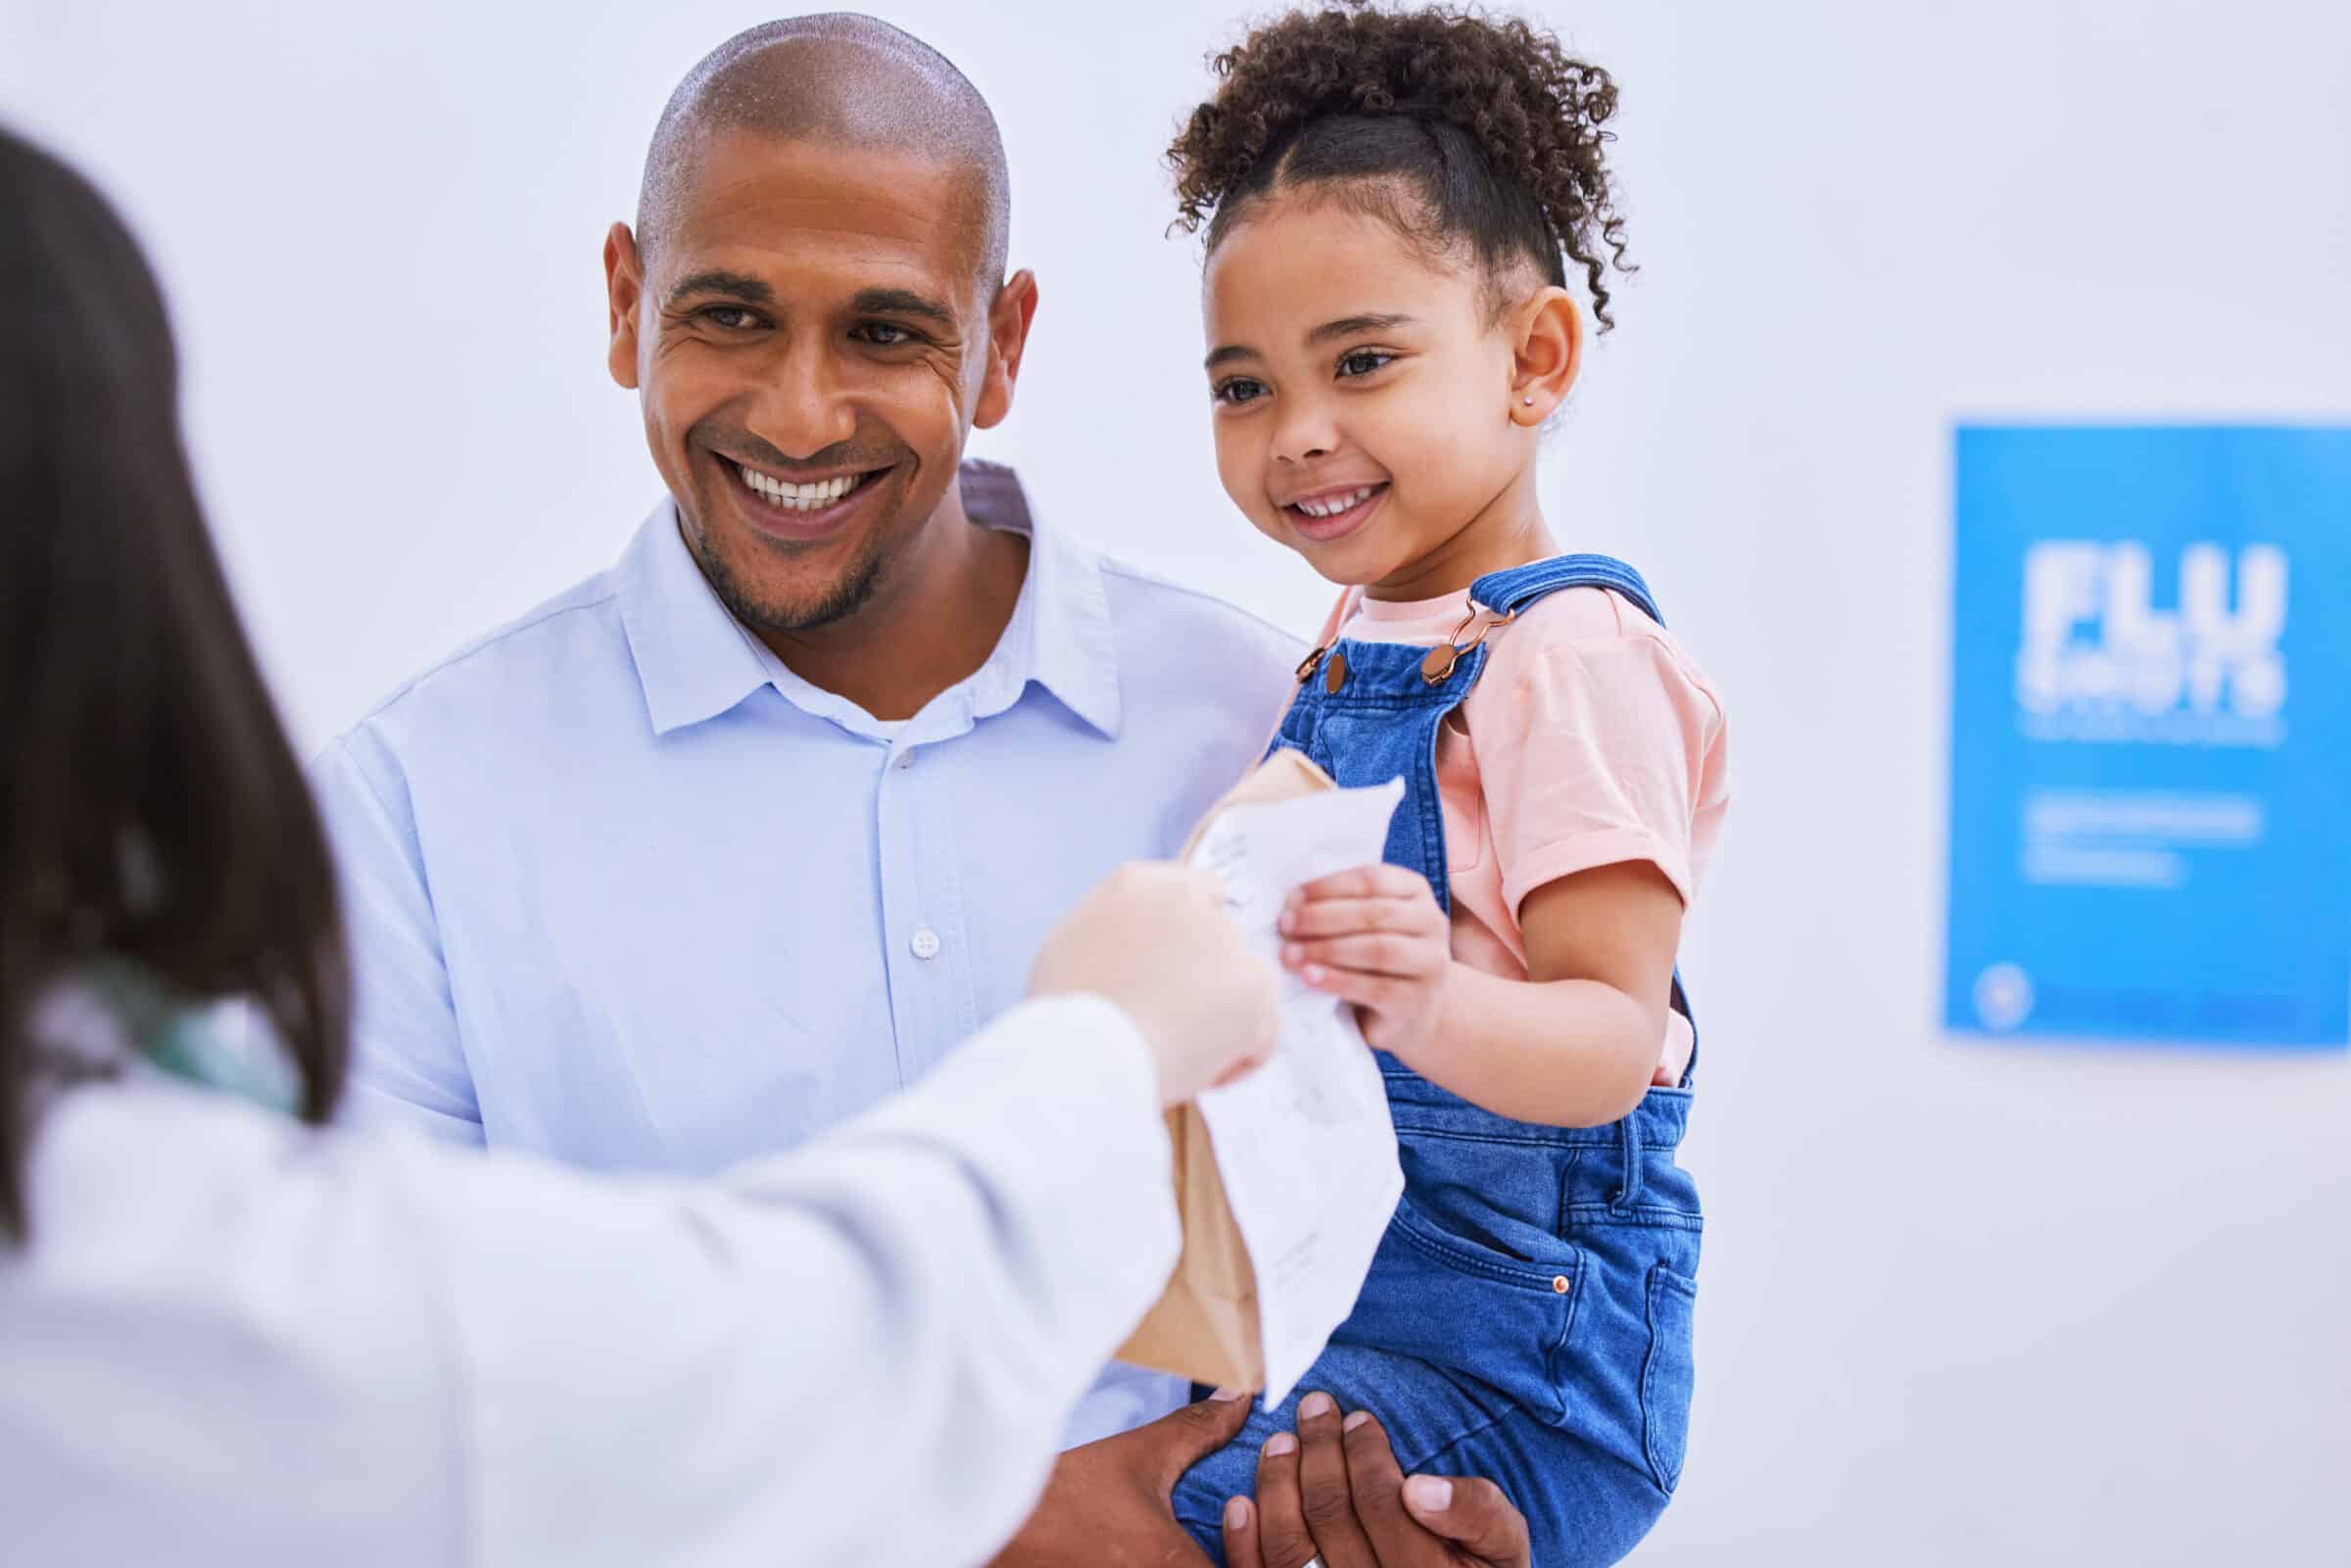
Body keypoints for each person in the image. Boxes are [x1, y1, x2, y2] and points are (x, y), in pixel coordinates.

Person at [0, 121, 1281, 1568]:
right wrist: (1106, 1054)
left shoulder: (1273, 715)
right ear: (627, 302)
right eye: (729, 313)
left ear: (1002, 341)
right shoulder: (412, 804)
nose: (800, 417)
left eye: (884, 329)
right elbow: (440, 1435)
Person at [1156, 6, 1734, 1564]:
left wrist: (1422, 1003)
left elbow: (1613, 1042)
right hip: (1361, 1296)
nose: (1300, 436)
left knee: (1163, 1517)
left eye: (1361, 361)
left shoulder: (1572, 656)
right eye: (1243, 386)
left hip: (1529, 1355)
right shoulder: (1357, 637)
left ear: (1534, 358)